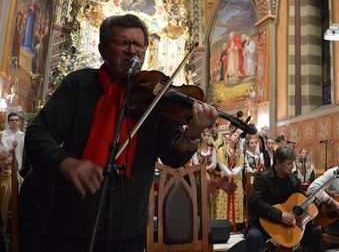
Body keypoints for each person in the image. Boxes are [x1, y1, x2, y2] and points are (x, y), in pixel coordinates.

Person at [18, 14, 218, 252]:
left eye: (138, 44)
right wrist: (67, 163)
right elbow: (38, 133)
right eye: (122, 43)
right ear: (103, 49)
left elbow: (173, 155)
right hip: (71, 224)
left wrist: (193, 133)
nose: (132, 51)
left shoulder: (156, 97)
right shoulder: (79, 84)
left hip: (129, 230)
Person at [245, 146, 324, 251]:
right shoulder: (263, 178)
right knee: (253, 236)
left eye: (292, 163)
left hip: (290, 225)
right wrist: (279, 215)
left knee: (316, 231)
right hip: (266, 223)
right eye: (288, 164)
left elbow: (302, 201)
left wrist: (314, 203)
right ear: (278, 162)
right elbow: (254, 202)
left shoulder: (293, 180)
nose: (292, 167)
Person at [216, 131, 245, 232]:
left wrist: (234, 172)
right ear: (230, 136)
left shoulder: (239, 152)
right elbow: (220, 162)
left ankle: (235, 225)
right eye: (235, 135)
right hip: (225, 177)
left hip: (236, 178)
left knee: (236, 199)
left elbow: (241, 165)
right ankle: (224, 224)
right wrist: (228, 173)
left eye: (238, 136)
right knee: (224, 199)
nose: (236, 137)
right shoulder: (222, 149)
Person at [190, 128, 218, 219]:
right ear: (201, 136)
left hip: (211, 177)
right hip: (199, 176)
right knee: (200, 197)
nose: (206, 137)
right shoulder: (196, 149)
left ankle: (211, 220)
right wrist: (205, 174)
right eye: (204, 135)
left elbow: (214, 163)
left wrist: (206, 171)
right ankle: (201, 220)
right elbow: (195, 163)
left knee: (212, 198)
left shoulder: (212, 149)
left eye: (208, 136)